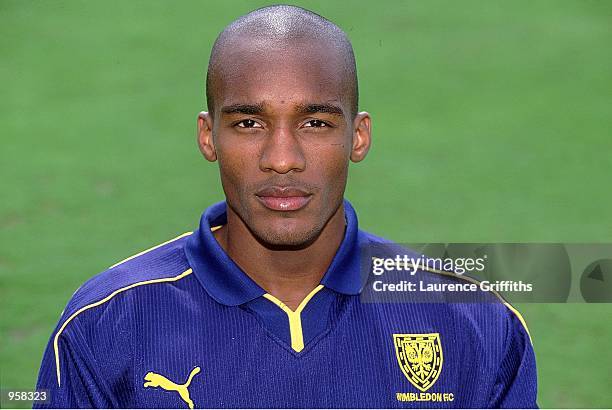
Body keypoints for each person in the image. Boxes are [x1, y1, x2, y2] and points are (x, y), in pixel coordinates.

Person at [34, 5, 537, 408]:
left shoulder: (473, 321)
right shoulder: (105, 323)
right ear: (208, 137)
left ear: (357, 137)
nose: (282, 160)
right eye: (248, 124)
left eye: (315, 123)